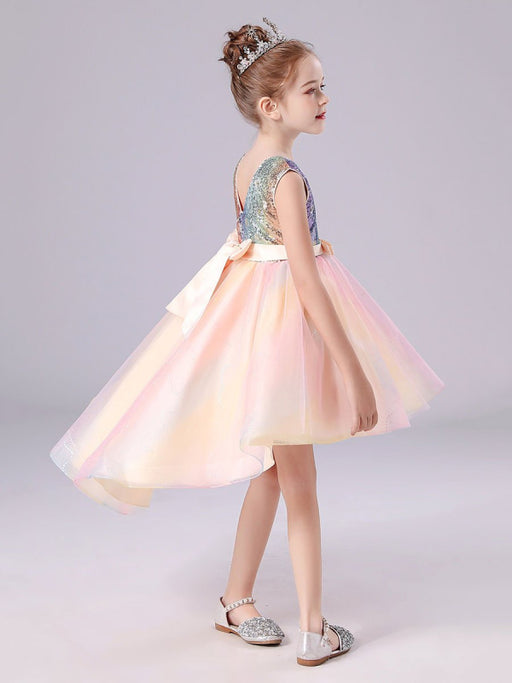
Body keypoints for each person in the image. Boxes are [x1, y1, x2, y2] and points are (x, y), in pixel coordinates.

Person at [49, 16, 445, 667]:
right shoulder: (285, 176)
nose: (324, 98)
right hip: (282, 331)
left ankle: (235, 598)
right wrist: (353, 371)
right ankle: (314, 630)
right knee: (300, 483)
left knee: (272, 471)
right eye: (311, 89)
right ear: (271, 105)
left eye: (323, 86)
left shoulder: (246, 164)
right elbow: (306, 282)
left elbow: (267, 251)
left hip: (259, 327)